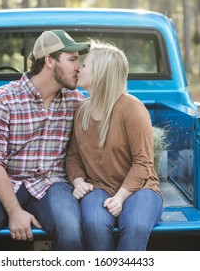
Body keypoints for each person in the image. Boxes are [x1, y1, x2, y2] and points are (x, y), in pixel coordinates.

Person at [0, 30, 90, 251]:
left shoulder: (76, 101)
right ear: (49, 60)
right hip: (6, 182)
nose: (79, 66)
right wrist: (15, 211)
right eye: (73, 59)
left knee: (71, 230)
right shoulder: (2, 98)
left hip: (52, 184)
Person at [66, 41, 163, 251]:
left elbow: (143, 163)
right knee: (93, 224)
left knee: (136, 225)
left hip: (140, 188)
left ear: (101, 73)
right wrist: (78, 181)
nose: (79, 68)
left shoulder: (132, 109)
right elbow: (73, 155)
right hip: (98, 186)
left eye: (85, 65)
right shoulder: (81, 110)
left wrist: (120, 197)